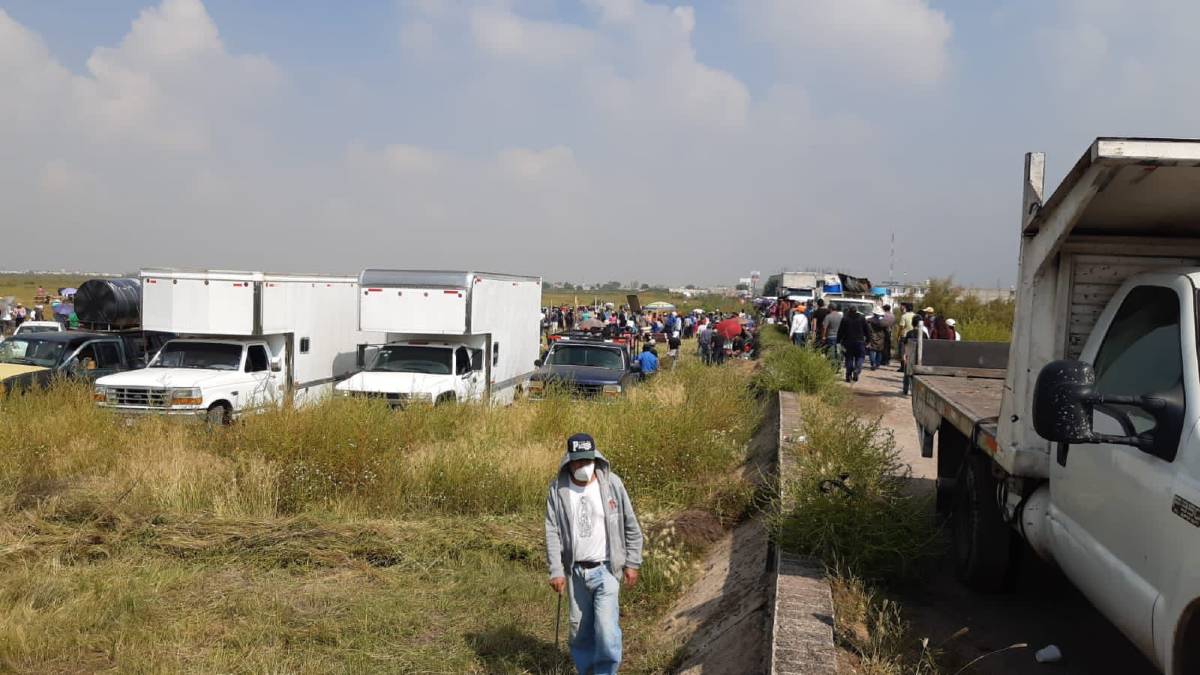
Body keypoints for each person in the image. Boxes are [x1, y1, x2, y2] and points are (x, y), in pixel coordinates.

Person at [545, 434, 644, 675]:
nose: (583, 466)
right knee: (579, 630)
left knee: (606, 630)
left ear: (595, 457)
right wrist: (556, 570)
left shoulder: (612, 484)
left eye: (587, 460)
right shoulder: (559, 489)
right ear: (569, 461)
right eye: (578, 462)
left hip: (607, 569)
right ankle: (586, 670)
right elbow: (552, 530)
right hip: (576, 572)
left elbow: (630, 523)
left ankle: (606, 672)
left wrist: (632, 561)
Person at [837, 307, 869, 383]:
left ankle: (848, 376)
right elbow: (867, 330)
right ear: (857, 311)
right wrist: (868, 340)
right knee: (860, 357)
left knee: (849, 358)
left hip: (848, 342)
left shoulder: (845, 319)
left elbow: (840, 331)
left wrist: (838, 341)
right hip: (860, 342)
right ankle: (857, 370)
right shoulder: (862, 318)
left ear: (849, 311)